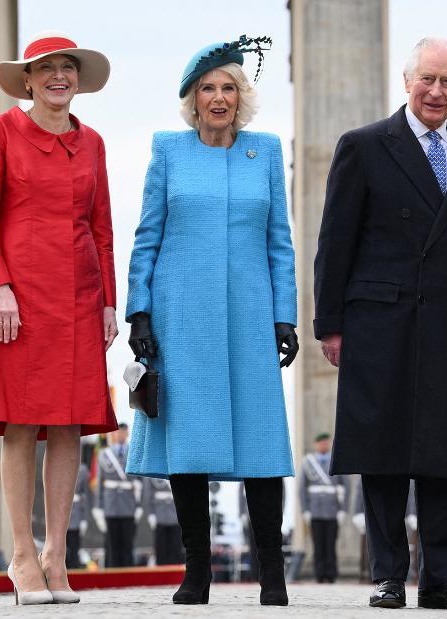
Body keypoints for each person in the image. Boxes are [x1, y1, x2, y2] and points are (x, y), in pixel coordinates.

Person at [314, 35, 447, 612]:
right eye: (428, 79)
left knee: (446, 455)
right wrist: (330, 323)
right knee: (384, 451)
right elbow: (335, 240)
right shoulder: (365, 145)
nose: (437, 91)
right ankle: (389, 574)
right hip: (380, 320)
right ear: (407, 82)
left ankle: (445, 578)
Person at [124, 35, 298, 607]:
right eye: (208, 89)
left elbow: (280, 242)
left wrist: (284, 316)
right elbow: (146, 236)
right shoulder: (169, 150)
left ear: (241, 98)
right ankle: (196, 572)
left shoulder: (265, 150)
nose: (218, 98)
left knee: (262, 440)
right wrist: (140, 312)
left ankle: (271, 575)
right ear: (192, 99)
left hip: (250, 316)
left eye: (228, 88)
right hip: (183, 318)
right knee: (191, 442)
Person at [0, 30, 117, 606]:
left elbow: (102, 229)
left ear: (78, 79)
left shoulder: (92, 142)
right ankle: (22, 554)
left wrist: (108, 303)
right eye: (46, 68)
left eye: (67, 67)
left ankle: (56, 555)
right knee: (21, 422)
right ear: (27, 79)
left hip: (78, 296)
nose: (58, 76)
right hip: (16, 297)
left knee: (69, 424)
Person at [299, 432, 347, 583]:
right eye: (321, 443)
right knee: (318, 544)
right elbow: (302, 488)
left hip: (332, 510)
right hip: (315, 509)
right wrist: (305, 509)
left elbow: (346, 487)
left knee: (331, 544)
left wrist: (343, 509)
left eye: (326, 443)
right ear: (316, 444)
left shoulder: (337, 460)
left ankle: (331, 573)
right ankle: (319, 574)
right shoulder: (308, 462)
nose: (323, 445)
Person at [94, 425, 142, 568]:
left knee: (128, 543)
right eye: (118, 431)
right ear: (114, 433)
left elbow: (141, 481)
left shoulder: (134, 453)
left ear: (127, 433)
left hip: (129, 505)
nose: (121, 434)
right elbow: (99, 483)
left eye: (123, 431)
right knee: (111, 543)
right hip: (111, 505)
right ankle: (111, 573)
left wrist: (139, 505)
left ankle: (128, 575)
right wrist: (99, 507)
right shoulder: (104, 454)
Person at [143, 477, 183, 565]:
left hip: (176, 511)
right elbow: (147, 492)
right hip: (159, 513)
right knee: (161, 550)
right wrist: (151, 513)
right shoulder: (153, 467)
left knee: (176, 548)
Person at [66, 462, 91, 569]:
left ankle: (74, 569)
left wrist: (84, 518)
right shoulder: (54, 464)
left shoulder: (83, 470)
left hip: (76, 513)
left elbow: (86, 495)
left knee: (74, 546)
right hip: (60, 514)